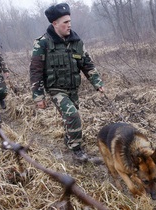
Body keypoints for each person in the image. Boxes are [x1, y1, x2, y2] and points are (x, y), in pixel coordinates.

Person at [29, 3, 104, 162]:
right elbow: (35, 71)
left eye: (70, 21)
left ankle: (69, 139)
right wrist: (38, 96)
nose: (69, 25)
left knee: (69, 117)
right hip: (56, 89)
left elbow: (87, 64)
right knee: (73, 116)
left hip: (73, 88)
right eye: (65, 22)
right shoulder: (42, 43)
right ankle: (77, 152)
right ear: (54, 24)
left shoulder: (76, 42)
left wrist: (97, 82)